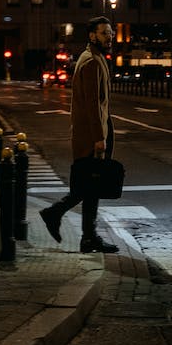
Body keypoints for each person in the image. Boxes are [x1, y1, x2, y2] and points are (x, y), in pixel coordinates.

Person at [40, 16, 120, 253]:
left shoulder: (94, 59)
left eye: (111, 33)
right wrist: (98, 138)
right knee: (89, 185)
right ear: (92, 35)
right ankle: (54, 212)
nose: (110, 37)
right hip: (90, 135)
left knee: (92, 185)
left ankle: (88, 237)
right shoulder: (91, 62)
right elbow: (92, 104)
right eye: (105, 33)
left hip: (93, 132)